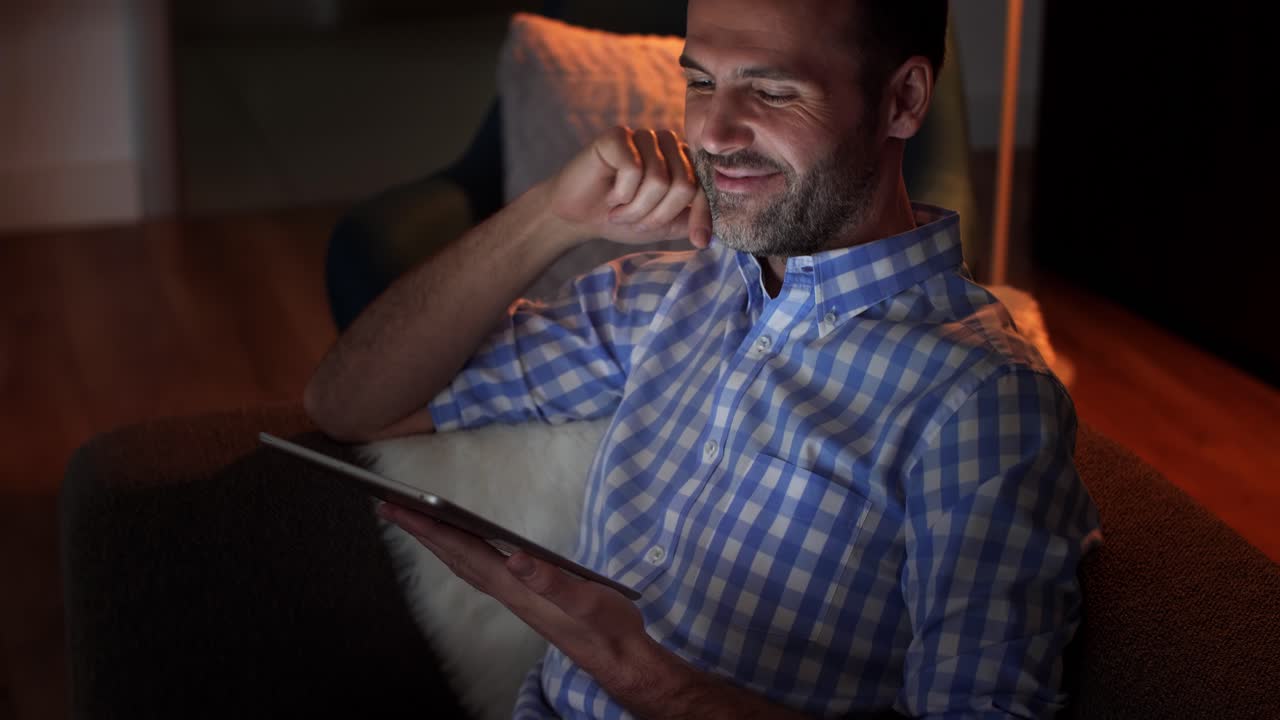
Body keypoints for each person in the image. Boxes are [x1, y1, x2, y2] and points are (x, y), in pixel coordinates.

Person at [304, 0, 1102, 717]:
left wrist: (640, 673)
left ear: (904, 100)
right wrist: (552, 217)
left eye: (773, 91)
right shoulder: (667, 295)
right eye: (701, 83)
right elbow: (348, 405)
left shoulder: (981, 401)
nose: (713, 134)